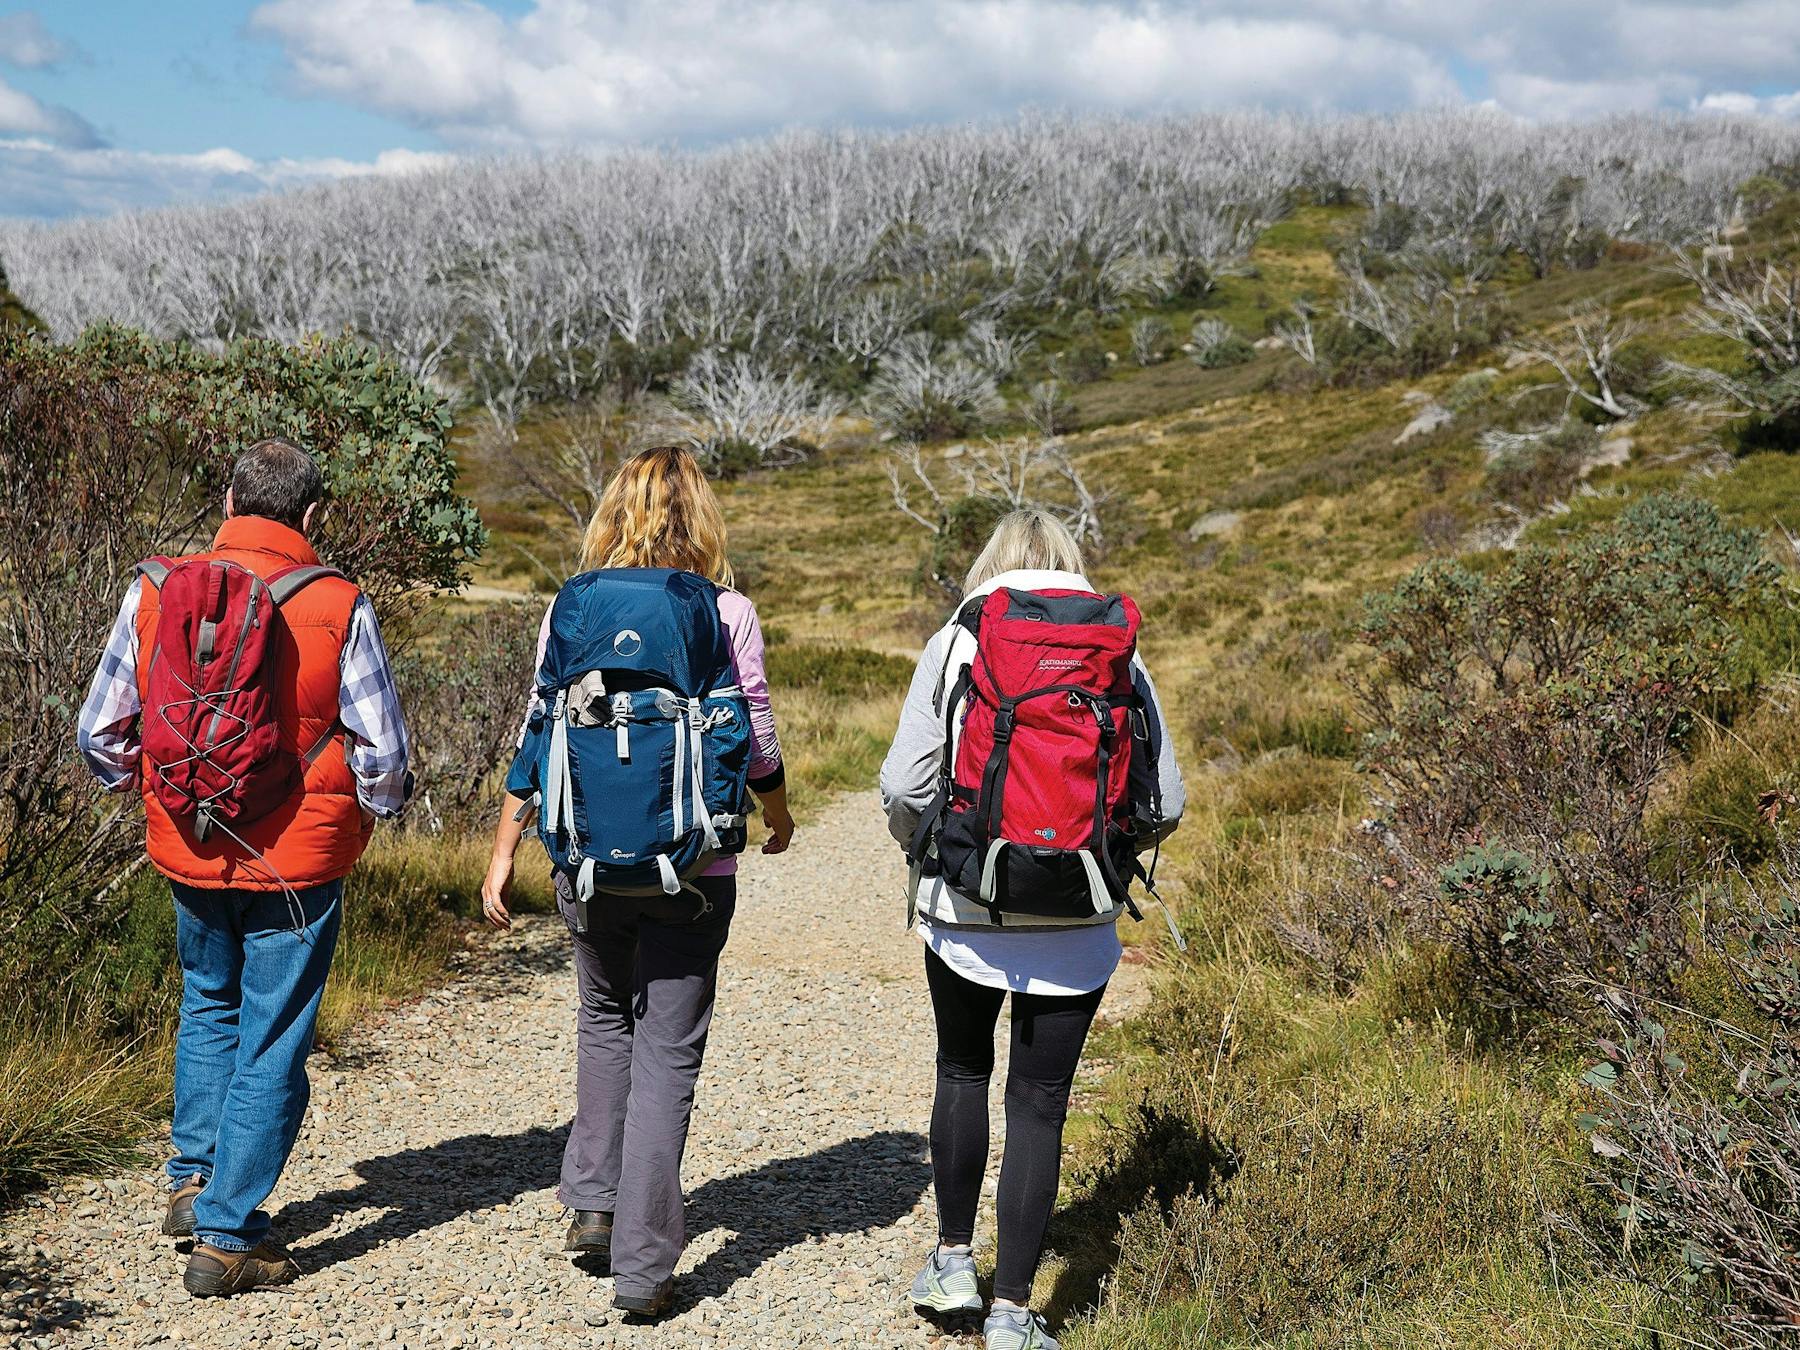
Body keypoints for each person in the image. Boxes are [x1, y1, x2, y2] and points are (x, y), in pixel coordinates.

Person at [77, 437, 411, 1297]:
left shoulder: (154, 589)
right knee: (274, 1036)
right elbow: (384, 751)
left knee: (208, 1003)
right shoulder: (338, 600)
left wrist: (155, 792)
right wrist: (369, 812)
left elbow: (98, 733)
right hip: (296, 864)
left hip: (188, 846)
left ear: (227, 505)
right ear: (311, 517)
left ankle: (192, 1181)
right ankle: (228, 1237)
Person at [480, 444, 794, 1318]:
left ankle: (592, 1201)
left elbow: (537, 729)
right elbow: (755, 732)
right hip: (694, 866)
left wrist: (505, 848)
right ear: (703, 517)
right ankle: (645, 1269)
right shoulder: (724, 610)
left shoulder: (571, 606)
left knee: (602, 1017)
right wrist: (781, 814)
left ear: (614, 512)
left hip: (583, 860)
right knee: (668, 1049)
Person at [880, 509, 1184, 1350]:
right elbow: (1170, 801)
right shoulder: (1117, 646)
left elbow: (906, 786)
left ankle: (950, 1265)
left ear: (992, 564)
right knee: (1041, 1105)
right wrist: (1101, 851)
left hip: (966, 907)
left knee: (962, 1069)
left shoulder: (960, 637)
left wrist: (931, 849)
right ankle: (1014, 1315)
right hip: (1079, 916)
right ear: (1071, 566)